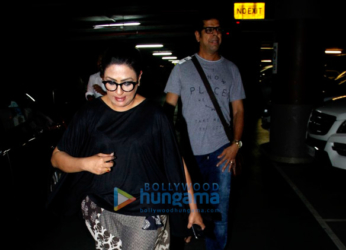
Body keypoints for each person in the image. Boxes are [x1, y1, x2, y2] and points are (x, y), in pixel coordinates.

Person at [51, 45, 204, 250]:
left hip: (144, 209)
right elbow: (57, 157)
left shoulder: (154, 116)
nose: (119, 92)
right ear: (101, 78)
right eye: (111, 83)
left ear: (139, 78)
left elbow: (175, 161)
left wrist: (192, 208)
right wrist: (85, 163)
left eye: (127, 83)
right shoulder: (90, 114)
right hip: (101, 206)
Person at [164, 14, 246, 250]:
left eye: (218, 30)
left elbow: (239, 110)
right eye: (209, 30)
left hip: (221, 152)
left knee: (219, 212)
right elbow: (168, 110)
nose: (215, 34)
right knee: (184, 210)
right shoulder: (182, 68)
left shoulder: (231, 69)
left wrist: (236, 144)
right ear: (198, 35)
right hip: (188, 152)